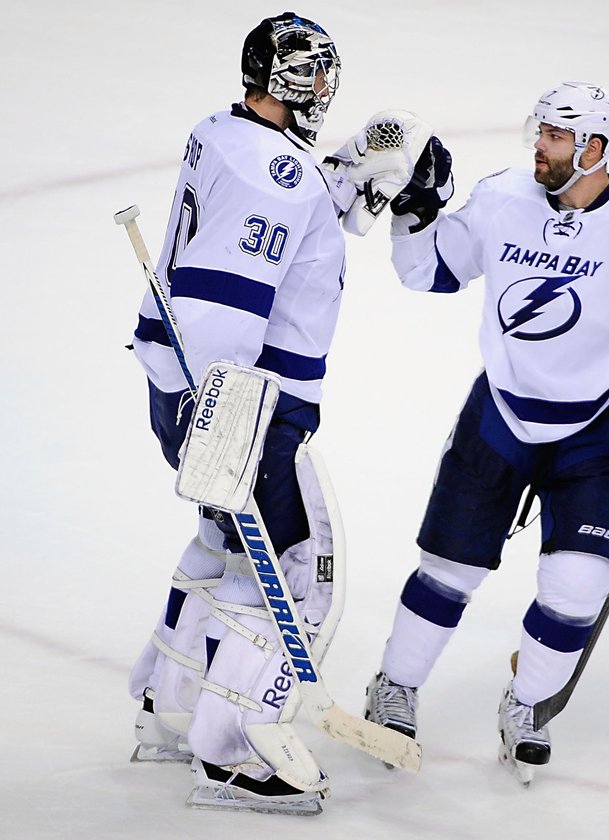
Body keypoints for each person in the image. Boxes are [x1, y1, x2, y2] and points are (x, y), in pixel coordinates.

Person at [359, 80, 609, 784]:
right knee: (450, 569)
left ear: (594, 148)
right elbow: (428, 272)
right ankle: (393, 687)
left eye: (553, 135)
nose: (537, 146)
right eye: (540, 131)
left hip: (592, 430)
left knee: (577, 587)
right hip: (502, 413)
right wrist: (416, 214)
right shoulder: (503, 198)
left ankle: (525, 705)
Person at [127, 12, 349, 814]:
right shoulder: (276, 178)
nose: (327, 86)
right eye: (316, 72)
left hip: (182, 381)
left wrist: (347, 176)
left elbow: (286, 212)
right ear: (288, 82)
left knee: (219, 546)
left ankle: (171, 707)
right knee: (294, 570)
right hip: (245, 402)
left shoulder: (223, 132)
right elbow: (225, 298)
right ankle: (232, 754)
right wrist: (221, 425)